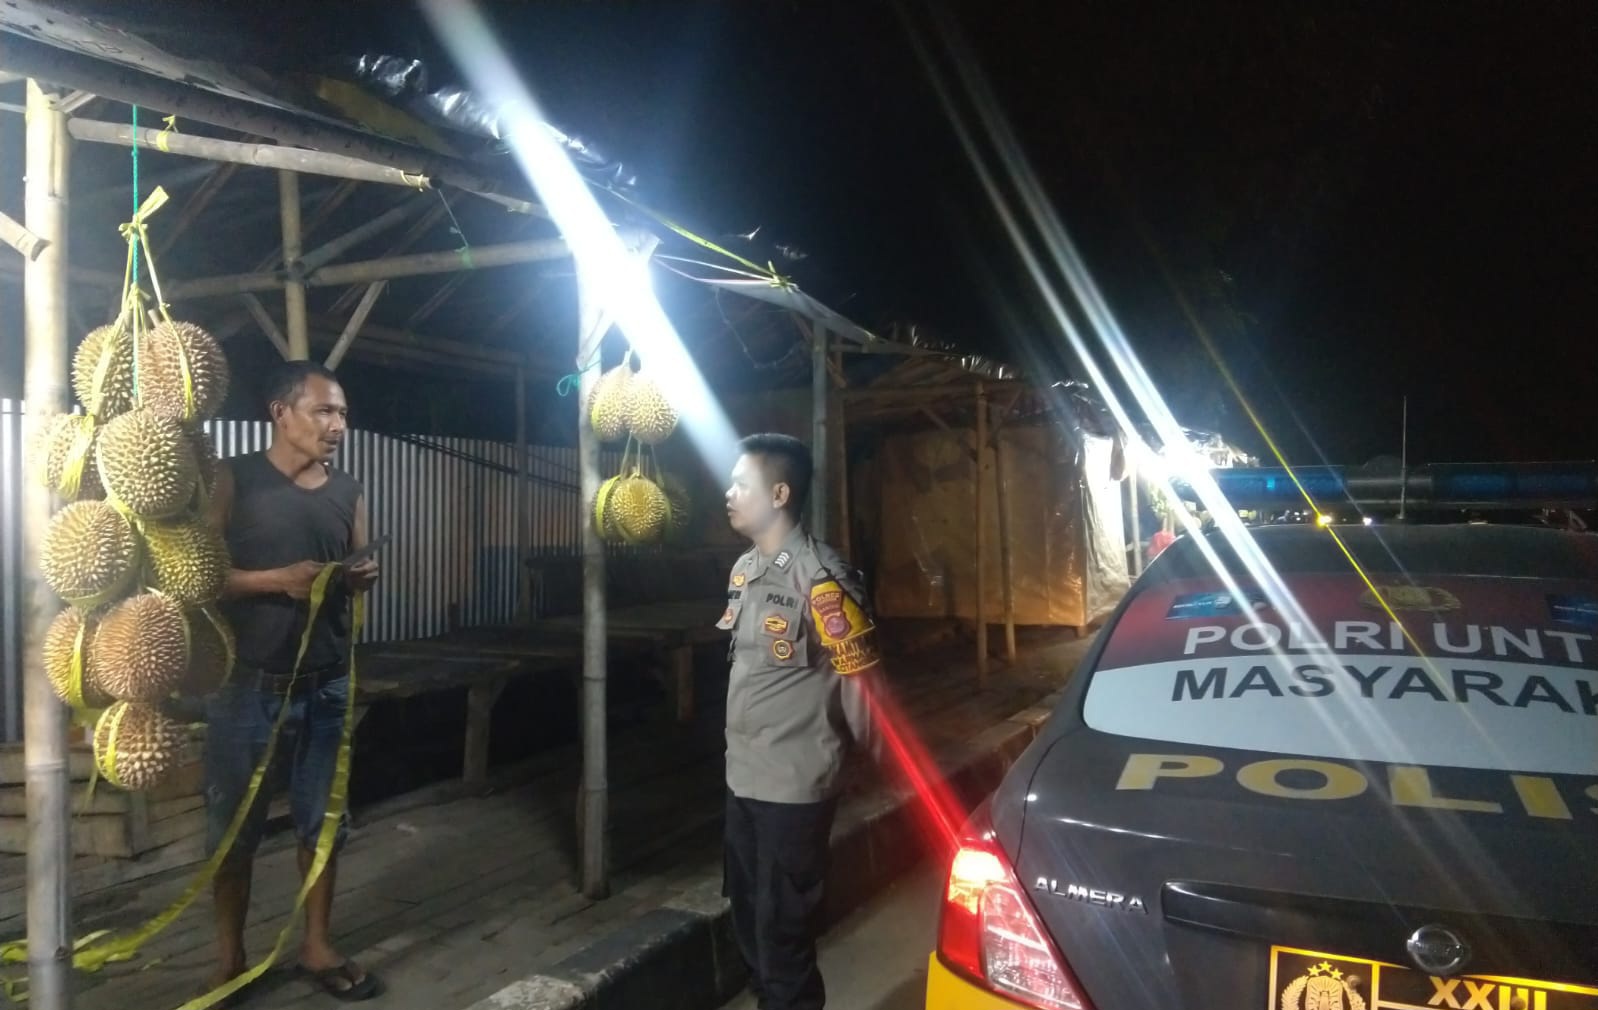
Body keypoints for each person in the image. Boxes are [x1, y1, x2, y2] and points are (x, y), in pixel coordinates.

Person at [202, 360, 380, 1003]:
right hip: (247, 686)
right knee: (233, 829)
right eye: (324, 411)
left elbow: (360, 564)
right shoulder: (233, 479)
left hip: (326, 683)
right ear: (281, 413)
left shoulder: (349, 491)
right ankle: (229, 960)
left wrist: (359, 576)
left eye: (343, 414)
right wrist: (277, 581)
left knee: (323, 822)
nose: (338, 426)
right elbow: (201, 577)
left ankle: (317, 945)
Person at [719, 432, 882, 1010]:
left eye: (742, 483)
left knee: (783, 937)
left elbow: (864, 687)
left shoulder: (821, 578)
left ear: (780, 494)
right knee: (749, 927)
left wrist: (870, 763)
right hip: (743, 778)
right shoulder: (745, 570)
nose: (729, 493)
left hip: (794, 786)